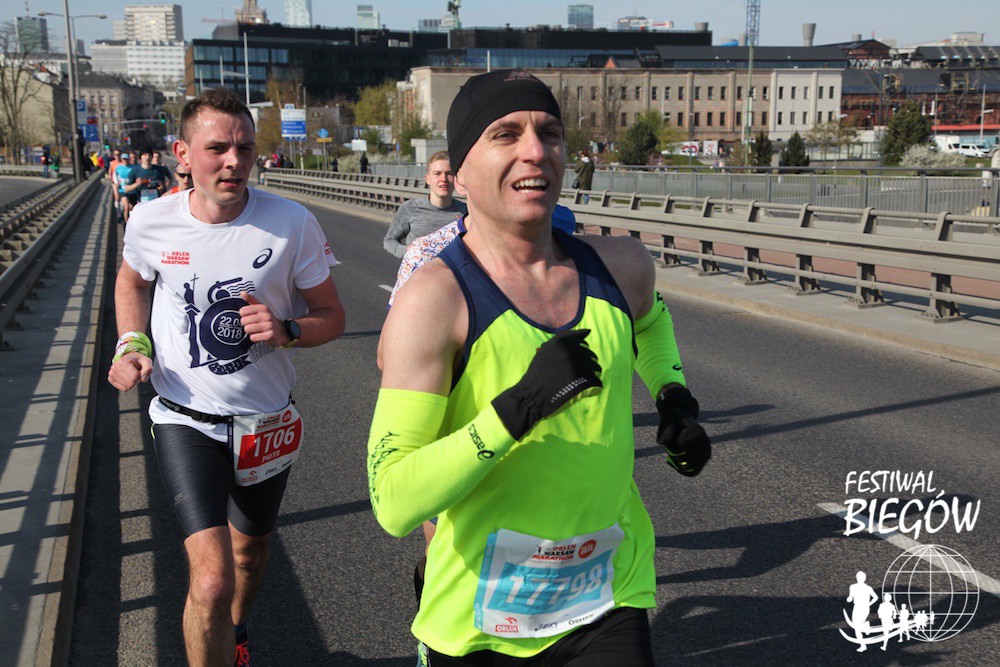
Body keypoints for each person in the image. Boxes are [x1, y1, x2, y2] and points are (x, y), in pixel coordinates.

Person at [368, 69, 710, 666]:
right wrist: (518, 408)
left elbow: (651, 321)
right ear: (460, 172)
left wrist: (673, 396)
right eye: (505, 134)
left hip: (607, 596)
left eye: (549, 132)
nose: (535, 150)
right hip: (480, 618)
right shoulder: (434, 302)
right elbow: (393, 501)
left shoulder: (621, 265)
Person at [108, 87, 345, 666]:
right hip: (185, 417)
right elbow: (132, 280)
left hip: (265, 423)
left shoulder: (291, 223)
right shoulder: (152, 220)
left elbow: (332, 316)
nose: (234, 161)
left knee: (249, 555)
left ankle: (235, 636)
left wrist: (289, 329)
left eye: (245, 148)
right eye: (217, 148)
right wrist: (132, 342)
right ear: (182, 154)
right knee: (211, 578)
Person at [383, 151, 468, 258]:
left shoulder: (466, 212)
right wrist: (408, 252)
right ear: (427, 179)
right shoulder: (410, 208)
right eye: (437, 173)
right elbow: (389, 241)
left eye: (449, 173)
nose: (443, 179)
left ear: (456, 179)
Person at [847, 571, 878, 652]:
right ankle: (863, 644)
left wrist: (869, 604)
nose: (859, 579)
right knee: (856, 627)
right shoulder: (853, 587)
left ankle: (865, 626)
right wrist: (849, 599)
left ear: (864, 578)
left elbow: (875, 597)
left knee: (857, 627)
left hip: (864, 607)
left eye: (861, 577)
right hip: (857, 607)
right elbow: (850, 597)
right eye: (858, 577)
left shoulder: (868, 588)